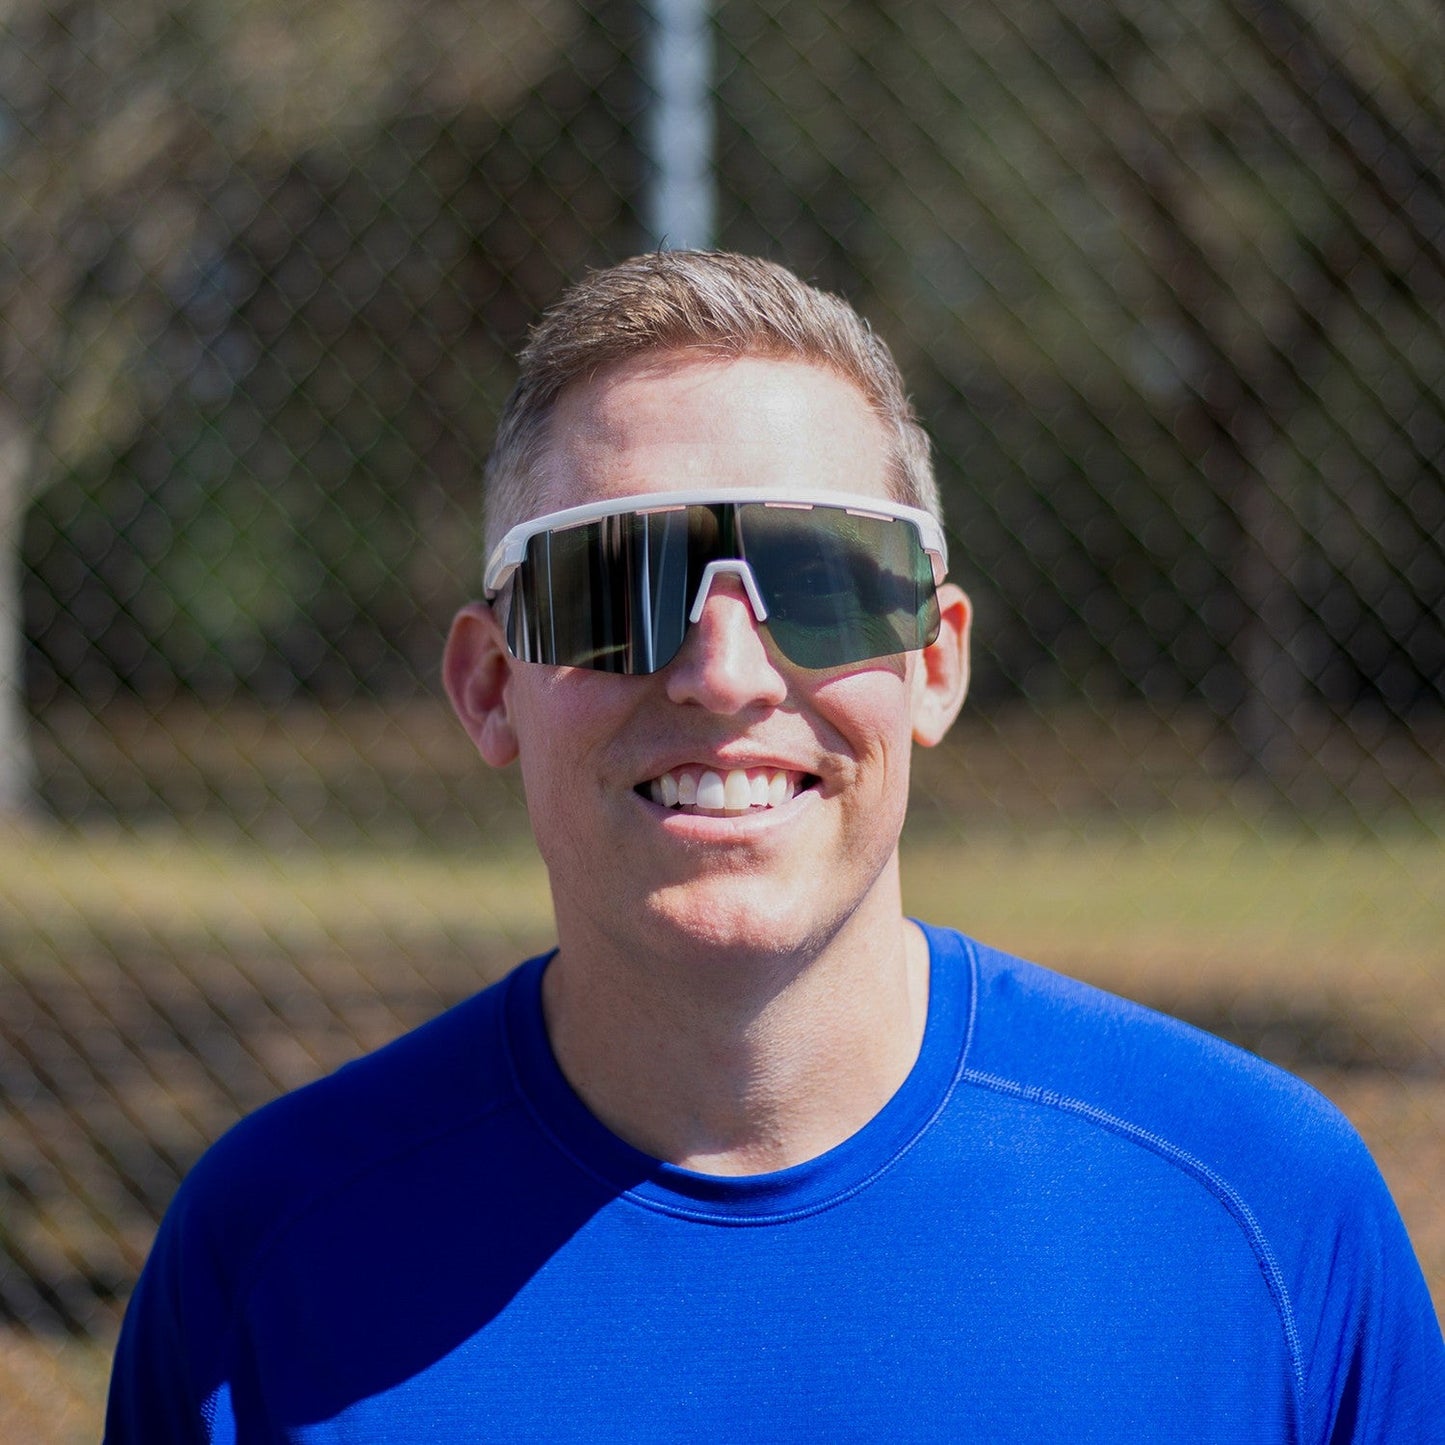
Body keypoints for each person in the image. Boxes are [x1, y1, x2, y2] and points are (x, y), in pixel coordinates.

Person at [106, 251, 1444, 1442]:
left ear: (933, 663)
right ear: (485, 684)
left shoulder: (1263, 1216)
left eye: (820, 577)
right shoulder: (271, 1255)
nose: (724, 671)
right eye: (612, 580)